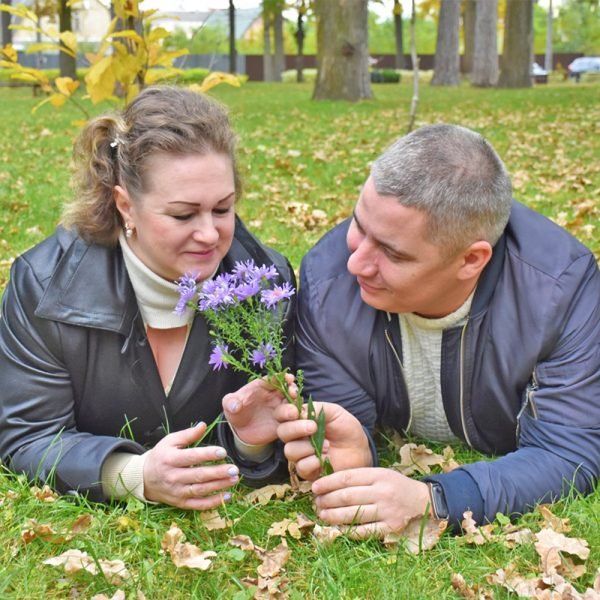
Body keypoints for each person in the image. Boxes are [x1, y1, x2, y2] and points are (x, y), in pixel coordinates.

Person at [277, 123, 600, 536]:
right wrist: (354, 444)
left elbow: (567, 451)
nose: (356, 262)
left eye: (392, 252)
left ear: (471, 260)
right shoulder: (328, 278)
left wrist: (437, 500)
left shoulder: (558, 289)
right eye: (359, 225)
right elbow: (343, 424)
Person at [0, 85, 295, 510]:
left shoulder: (266, 285)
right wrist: (133, 476)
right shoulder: (46, 286)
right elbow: (28, 435)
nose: (211, 235)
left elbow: (283, 431)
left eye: (223, 208)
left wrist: (250, 444)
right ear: (125, 205)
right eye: (183, 214)